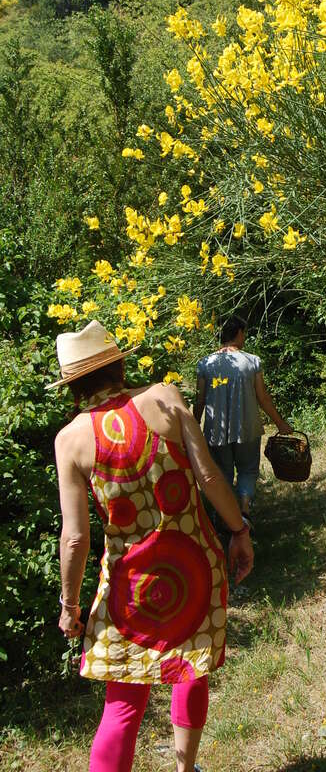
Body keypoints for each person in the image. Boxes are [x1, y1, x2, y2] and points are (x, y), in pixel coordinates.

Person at [49, 319, 254, 772]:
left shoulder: (70, 440)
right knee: (190, 664)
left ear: (72, 386)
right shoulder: (164, 396)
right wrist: (239, 531)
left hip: (132, 588)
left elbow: (76, 537)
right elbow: (209, 477)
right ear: (119, 365)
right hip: (195, 567)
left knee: (122, 706)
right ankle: (186, 769)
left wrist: (69, 604)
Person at [193, 315, 294, 526]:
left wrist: (193, 426)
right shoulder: (252, 361)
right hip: (247, 428)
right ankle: (245, 508)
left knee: (222, 473)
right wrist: (280, 423)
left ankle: (226, 517)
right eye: (244, 333)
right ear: (239, 333)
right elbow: (263, 398)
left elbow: (200, 400)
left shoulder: (205, 364)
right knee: (248, 469)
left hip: (216, 432)